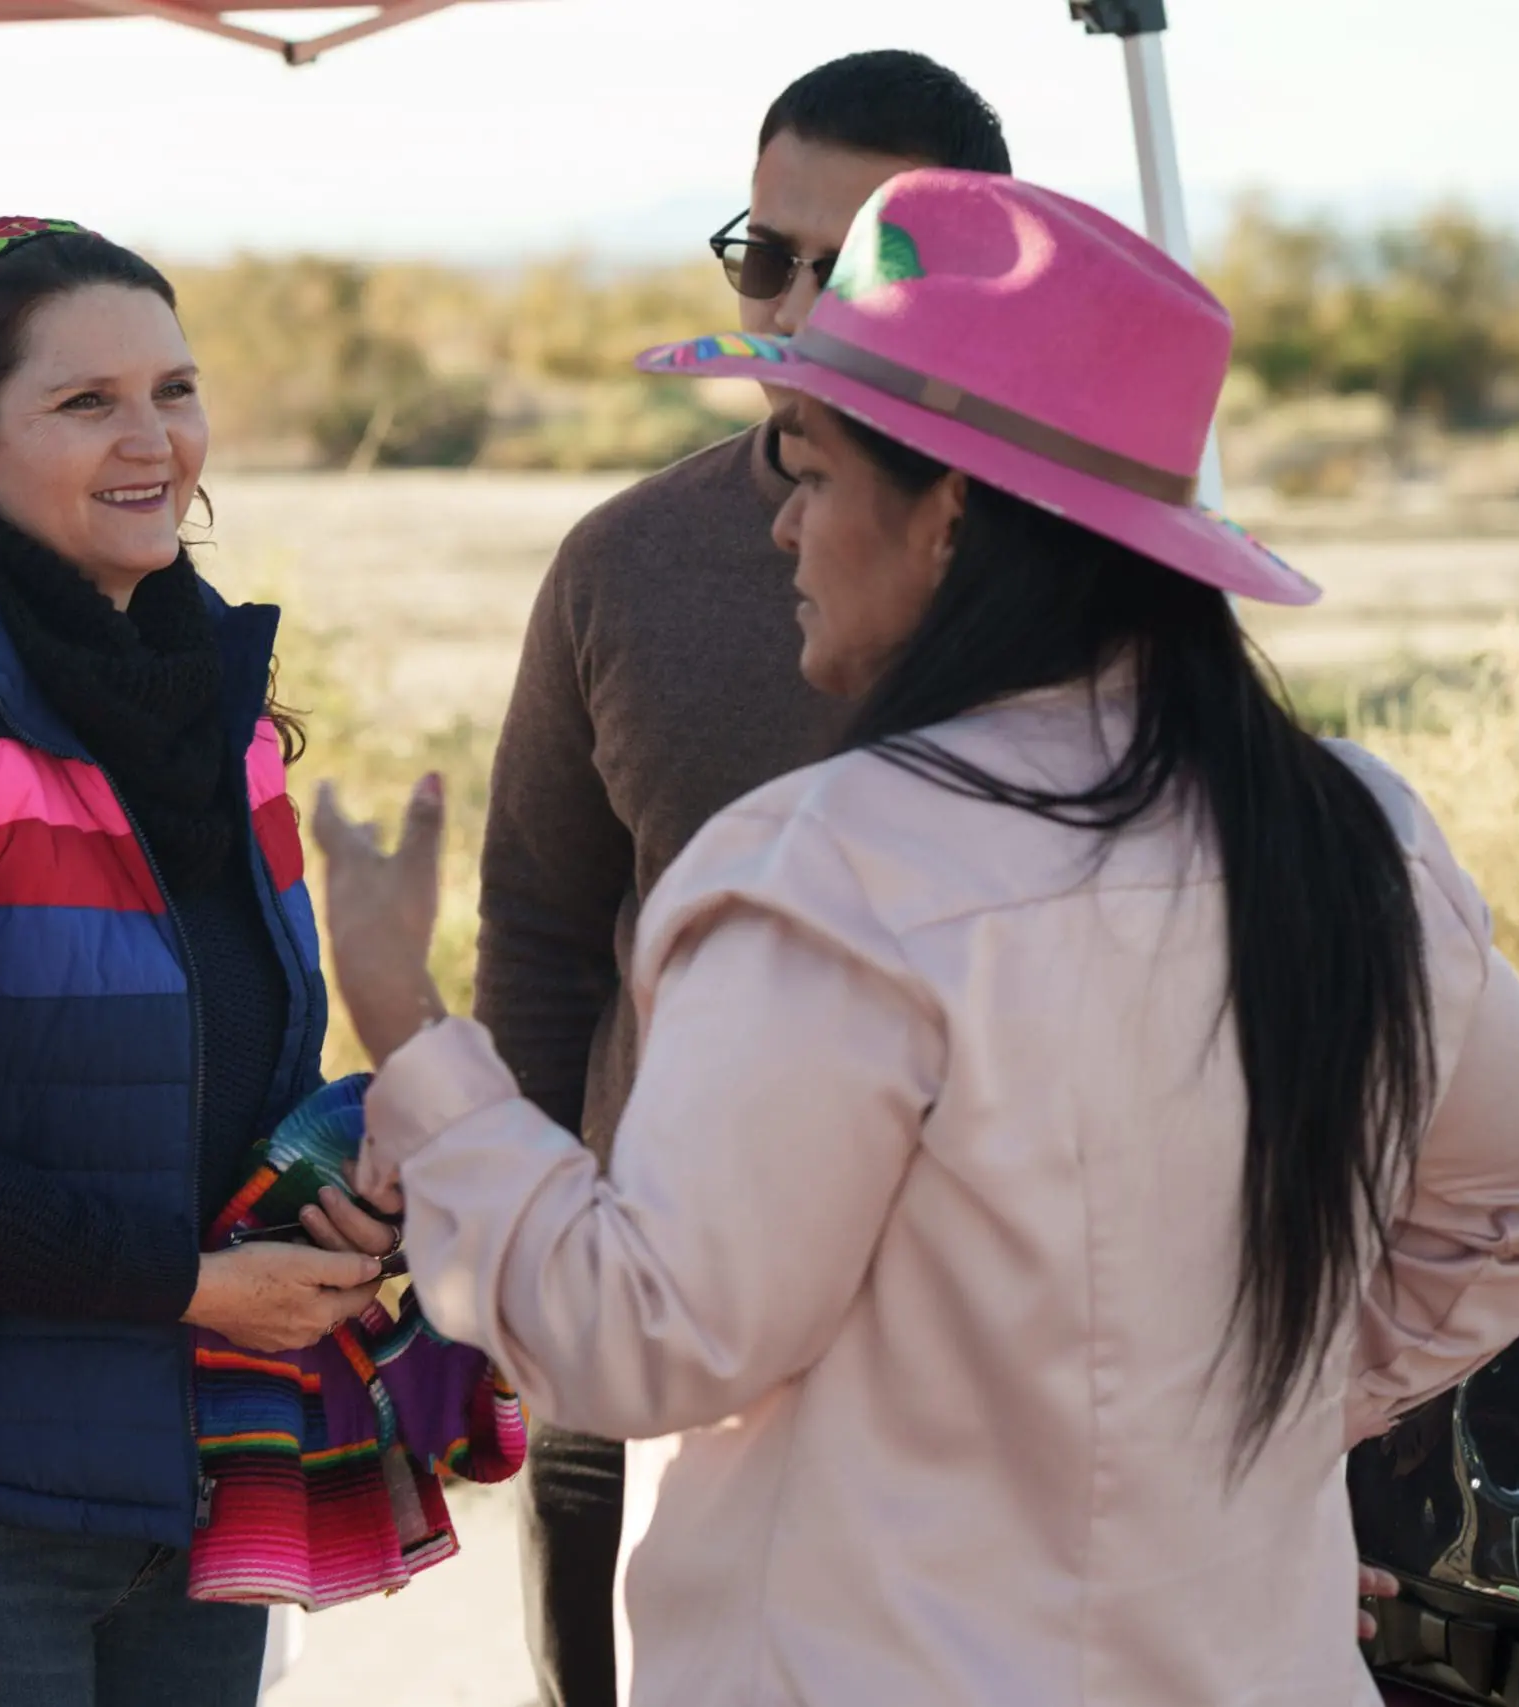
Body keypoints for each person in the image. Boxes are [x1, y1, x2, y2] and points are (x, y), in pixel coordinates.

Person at [316, 170, 1519, 1705]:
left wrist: (412, 1035)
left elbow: (640, 1340)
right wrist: (1267, 1403)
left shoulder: (838, 872)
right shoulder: (1354, 833)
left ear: (954, 513)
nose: (781, 524)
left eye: (810, 469)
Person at [0, 220, 413, 1705]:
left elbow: (222, 1071)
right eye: (85, 401)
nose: (152, 438)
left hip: (199, 1471)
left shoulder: (215, 711)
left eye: (173, 390)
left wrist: (337, 1169)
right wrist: (190, 1280)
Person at [473, 49, 1010, 1707]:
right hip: (663, 1323)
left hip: (984, 1348)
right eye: (756, 253)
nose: (783, 303)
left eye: (834, 264)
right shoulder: (623, 562)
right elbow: (545, 935)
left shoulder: (1076, 568)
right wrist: (546, 1297)